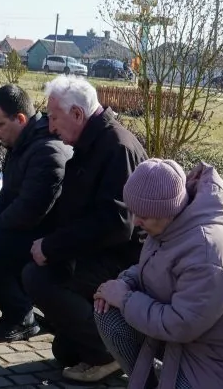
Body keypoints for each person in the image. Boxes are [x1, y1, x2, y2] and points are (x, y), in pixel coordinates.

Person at [93, 160, 223, 389]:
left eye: (143, 214)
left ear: (167, 210)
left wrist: (125, 299)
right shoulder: (169, 225)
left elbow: (180, 325)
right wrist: (124, 283)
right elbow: (154, 269)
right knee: (108, 314)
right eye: (133, 211)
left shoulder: (207, 251)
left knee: (120, 306)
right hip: (190, 342)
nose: (135, 221)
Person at [22, 75, 147, 384]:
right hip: (100, 253)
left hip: (125, 263)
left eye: (54, 118)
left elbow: (116, 224)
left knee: (39, 277)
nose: (50, 127)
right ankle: (102, 343)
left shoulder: (116, 147)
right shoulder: (92, 143)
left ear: (77, 114)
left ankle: (112, 351)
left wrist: (53, 247)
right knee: (65, 351)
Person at [0, 84, 69, 343]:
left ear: (20, 119)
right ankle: (23, 305)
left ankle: (21, 316)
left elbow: (29, 212)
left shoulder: (47, 151)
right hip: (28, 232)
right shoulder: (22, 145)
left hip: (49, 239)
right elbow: (7, 198)